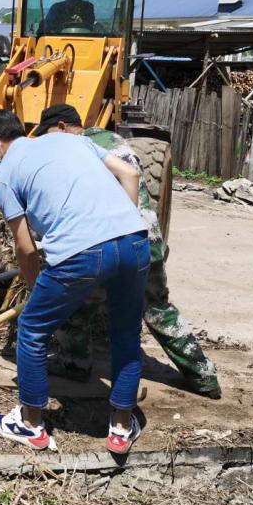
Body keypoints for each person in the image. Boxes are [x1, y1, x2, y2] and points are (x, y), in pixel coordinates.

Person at [0, 109, 150, 454]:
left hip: (79, 253)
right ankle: (120, 427)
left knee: (33, 329)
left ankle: (31, 425)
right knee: (127, 333)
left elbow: (25, 247)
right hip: (134, 239)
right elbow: (129, 173)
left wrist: (33, 285)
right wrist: (119, 226)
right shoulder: (69, 139)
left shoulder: (2, 177)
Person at [31, 104, 222, 399]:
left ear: (60, 127)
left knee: (75, 299)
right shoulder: (112, 141)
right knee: (158, 309)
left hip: (115, 239)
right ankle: (204, 375)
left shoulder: (80, 147)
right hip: (146, 239)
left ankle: (75, 362)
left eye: (49, 135)